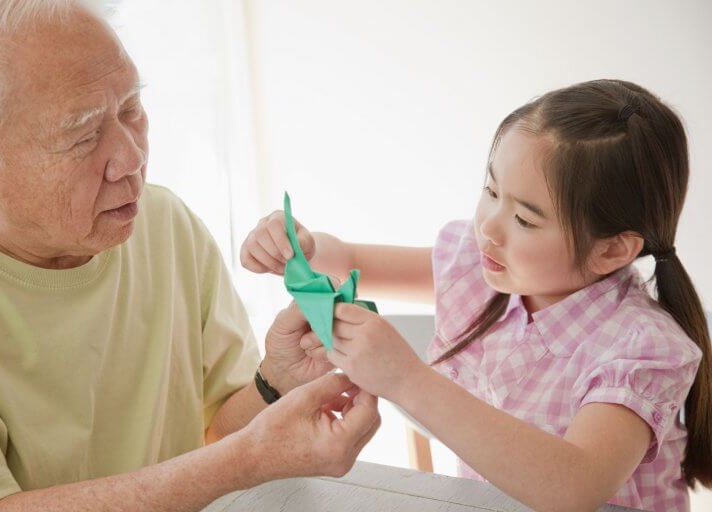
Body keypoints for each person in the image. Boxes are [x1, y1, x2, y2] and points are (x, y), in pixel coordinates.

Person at [0, 2, 379, 511]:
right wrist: (247, 459)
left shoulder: (164, 223)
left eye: (131, 109)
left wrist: (276, 381)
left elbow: (212, 442)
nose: (132, 160)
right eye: (82, 137)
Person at [241, 79, 712, 511]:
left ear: (612, 249)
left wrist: (408, 379)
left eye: (525, 220)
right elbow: (348, 259)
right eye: (491, 190)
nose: (487, 227)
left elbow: (575, 485)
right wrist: (300, 247)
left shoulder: (642, 348)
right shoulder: (478, 268)